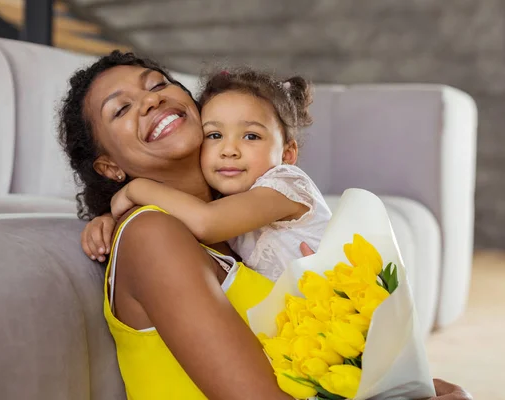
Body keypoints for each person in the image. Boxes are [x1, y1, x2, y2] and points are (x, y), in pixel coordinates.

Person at [61, 50, 471, 400]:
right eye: (121, 108)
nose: (149, 102)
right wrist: (133, 199)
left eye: (156, 85)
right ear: (110, 166)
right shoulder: (150, 234)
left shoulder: (239, 231)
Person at [91, 67, 331, 282]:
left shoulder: (286, 185)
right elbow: (186, 208)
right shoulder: (225, 198)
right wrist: (113, 218)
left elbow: (206, 222)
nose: (229, 151)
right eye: (214, 136)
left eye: (251, 136)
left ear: (287, 154)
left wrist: (136, 190)